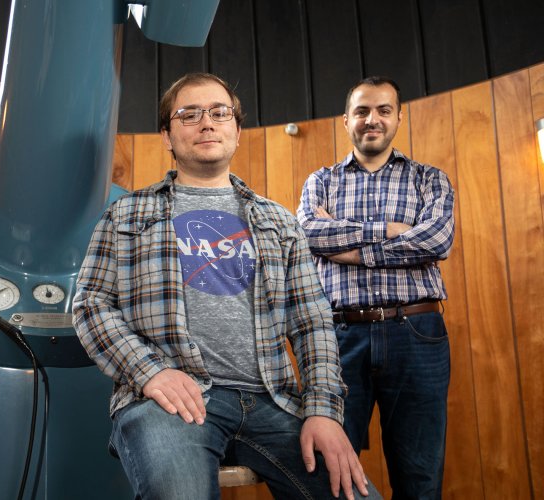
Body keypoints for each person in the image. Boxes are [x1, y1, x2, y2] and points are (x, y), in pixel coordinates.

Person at [73, 72, 378, 500]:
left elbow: (313, 324)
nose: (207, 123)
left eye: (219, 112)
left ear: (236, 129)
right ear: (167, 134)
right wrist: (150, 372)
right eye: (189, 114)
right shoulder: (126, 215)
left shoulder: (279, 222)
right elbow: (90, 304)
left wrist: (324, 412)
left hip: (272, 401)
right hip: (172, 404)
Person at [296, 76, 455, 499]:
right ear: (346, 119)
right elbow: (311, 234)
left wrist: (354, 250)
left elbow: (436, 241)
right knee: (332, 475)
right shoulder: (320, 182)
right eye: (362, 111)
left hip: (417, 334)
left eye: (384, 110)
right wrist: (388, 230)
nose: (373, 119)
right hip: (338, 337)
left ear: (398, 117)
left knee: (419, 478)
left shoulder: (429, 179)